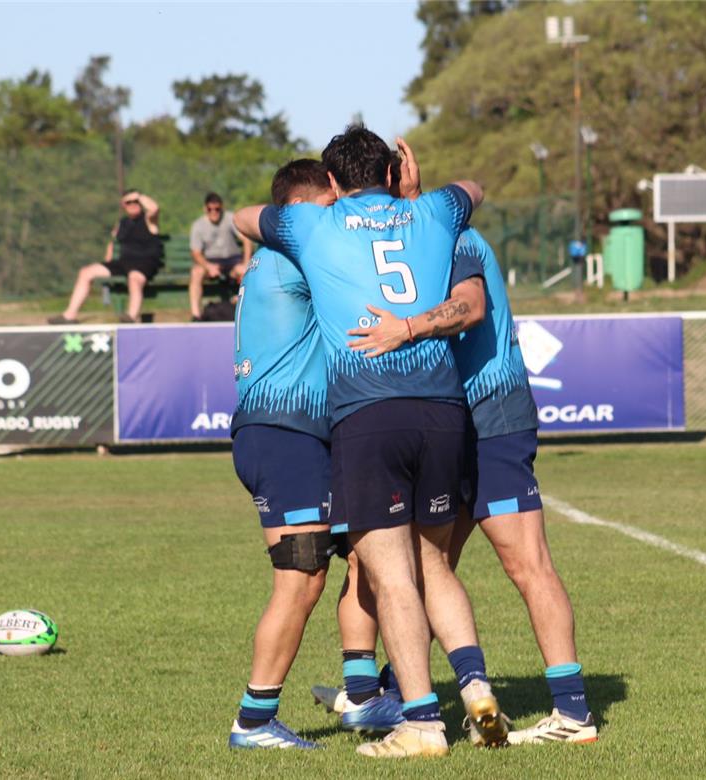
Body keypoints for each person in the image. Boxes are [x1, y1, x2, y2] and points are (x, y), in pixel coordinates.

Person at [234, 125, 500, 759]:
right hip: (315, 429)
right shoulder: (396, 220)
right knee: (316, 577)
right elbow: (472, 189)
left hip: (347, 424)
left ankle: (380, 702)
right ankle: (255, 718)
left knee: (372, 565)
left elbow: (252, 218)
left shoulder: (308, 235)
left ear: (334, 181)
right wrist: (404, 200)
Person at [324, 225, 601, 747]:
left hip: (490, 413)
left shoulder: (452, 238)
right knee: (427, 567)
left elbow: (469, 307)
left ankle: (572, 712)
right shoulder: (414, 241)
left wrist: (404, 329)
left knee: (525, 562)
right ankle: (433, 691)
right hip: (447, 421)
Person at [226, 161, 337, 750]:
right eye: (329, 205)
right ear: (296, 212)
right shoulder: (298, 254)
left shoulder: (272, 255)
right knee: (300, 576)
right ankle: (254, 720)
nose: (336, 217)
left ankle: (367, 691)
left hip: (285, 432)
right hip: (284, 432)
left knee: (358, 557)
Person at [49, 189, 162, 324]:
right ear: (123, 205)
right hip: (124, 262)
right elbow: (112, 244)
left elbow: (154, 208)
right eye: (128, 202)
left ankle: (130, 317)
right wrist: (107, 264)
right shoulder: (122, 223)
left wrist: (139, 195)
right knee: (86, 272)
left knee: (134, 278)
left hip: (144, 262)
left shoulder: (149, 220)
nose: (132, 204)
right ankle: (69, 316)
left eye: (136, 201)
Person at [188, 193, 253, 321]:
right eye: (210, 209)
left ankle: (249, 312)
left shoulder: (230, 218)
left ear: (221, 208)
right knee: (196, 272)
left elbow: (246, 240)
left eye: (217, 209)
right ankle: (196, 315)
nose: (214, 212)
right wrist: (208, 266)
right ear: (205, 209)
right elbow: (195, 252)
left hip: (233, 260)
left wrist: (246, 262)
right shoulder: (198, 225)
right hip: (211, 262)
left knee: (248, 271)